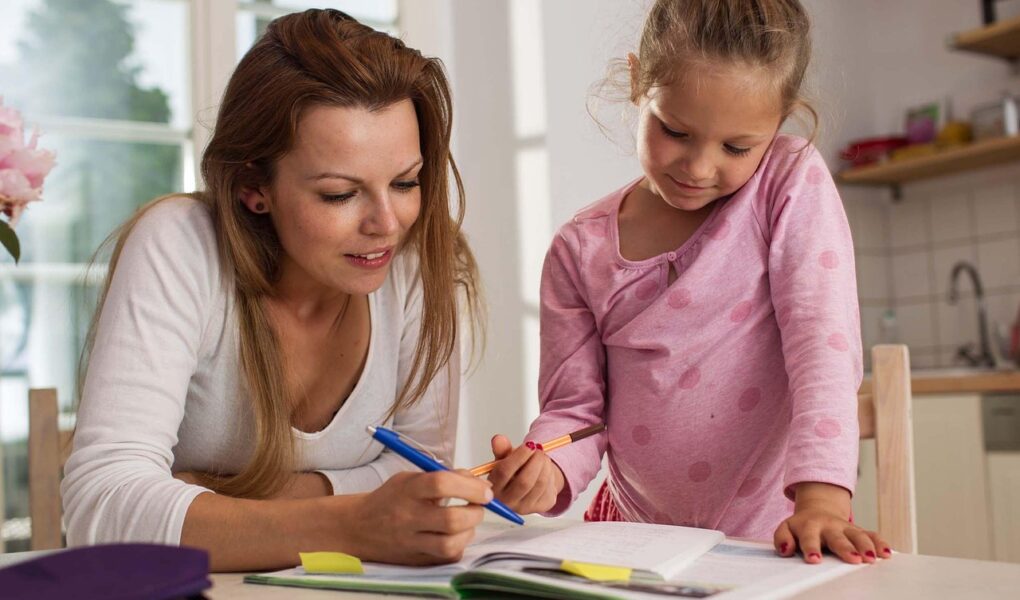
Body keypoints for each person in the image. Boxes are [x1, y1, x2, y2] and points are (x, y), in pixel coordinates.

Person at [61, 9, 489, 571]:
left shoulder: (417, 263)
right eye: (340, 194)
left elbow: (419, 475)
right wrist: (351, 522)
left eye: (406, 182)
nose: (387, 222)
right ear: (252, 187)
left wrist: (214, 498)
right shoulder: (181, 245)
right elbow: (102, 509)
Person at [485, 0, 890, 565]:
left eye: (736, 147)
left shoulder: (787, 182)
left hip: (778, 540)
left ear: (780, 122)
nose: (698, 168)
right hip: (633, 542)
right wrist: (545, 471)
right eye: (675, 131)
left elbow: (822, 346)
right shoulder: (579, 249)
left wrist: (822, 501)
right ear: (636, 83)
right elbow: (576, 413)